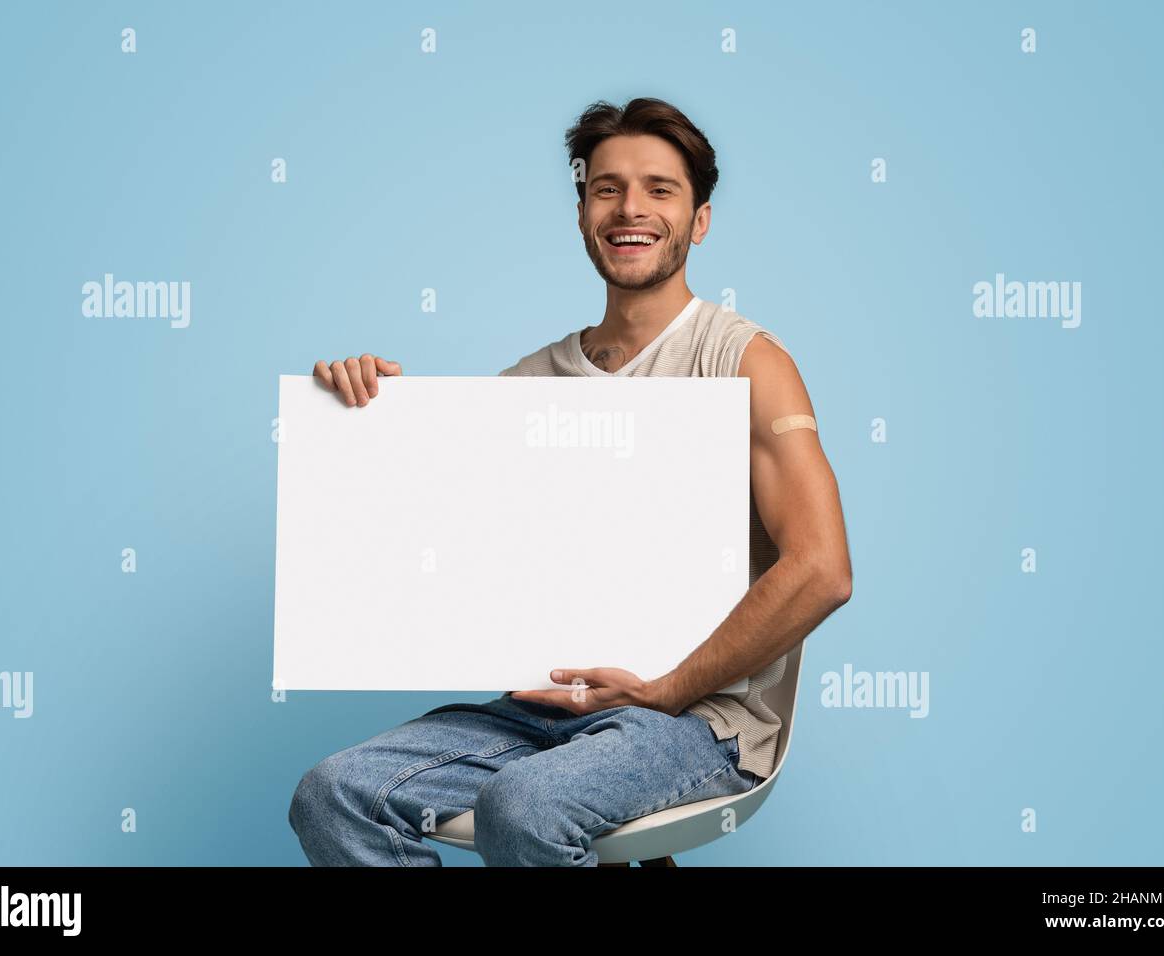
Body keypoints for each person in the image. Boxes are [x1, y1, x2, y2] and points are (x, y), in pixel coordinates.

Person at [288, 97, 852, 866]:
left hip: (694, 718)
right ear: (583, 210)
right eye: (607, 187)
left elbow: (822, 569)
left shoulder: (744, 361)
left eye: (661, 189)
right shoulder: (527, 384)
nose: (631, 209)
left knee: (524, 805)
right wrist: (361, 415)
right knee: (334, 794)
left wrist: (666, 687)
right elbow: (438, 554)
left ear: (701, 219)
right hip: (542, 710)